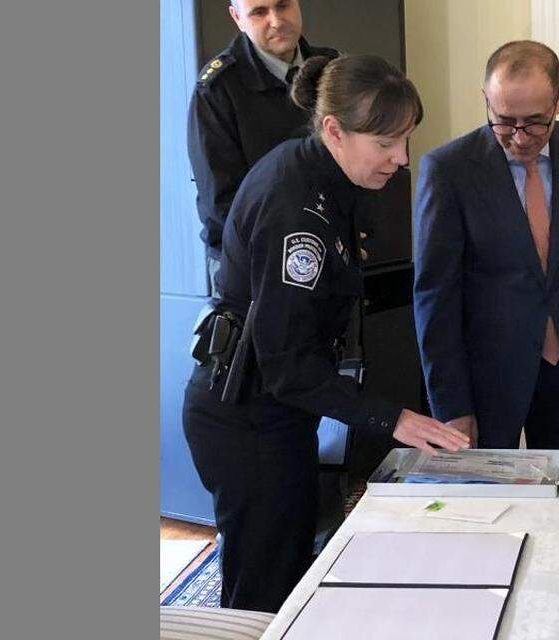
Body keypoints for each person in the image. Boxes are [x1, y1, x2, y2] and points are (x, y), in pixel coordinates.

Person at [182, 54, 470, 612]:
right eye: (385, 143)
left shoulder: (316, 170)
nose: (401, 158)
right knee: (264, 591)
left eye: (406, 139)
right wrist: (393, 418)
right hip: (248, 420)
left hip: (273, 412)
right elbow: (287, 364)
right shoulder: (296, 210)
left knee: (289, 567)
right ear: (334, 129)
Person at [413, 40, 559, 450]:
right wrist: (451, 404)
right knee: (489, 488)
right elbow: (435, 297)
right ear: (486, 100)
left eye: (536, 122)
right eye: (504, 121)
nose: (519, 138)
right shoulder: (448, 170)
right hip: (487, 377)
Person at [188, 0, 337, 296]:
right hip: (251, 261)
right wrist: (291, 250)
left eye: (283, 5)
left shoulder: (332, 69)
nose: (276, 20)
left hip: (330, 249)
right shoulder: (216, 88)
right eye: (259, 12)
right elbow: (221, 202)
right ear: (237, 18)